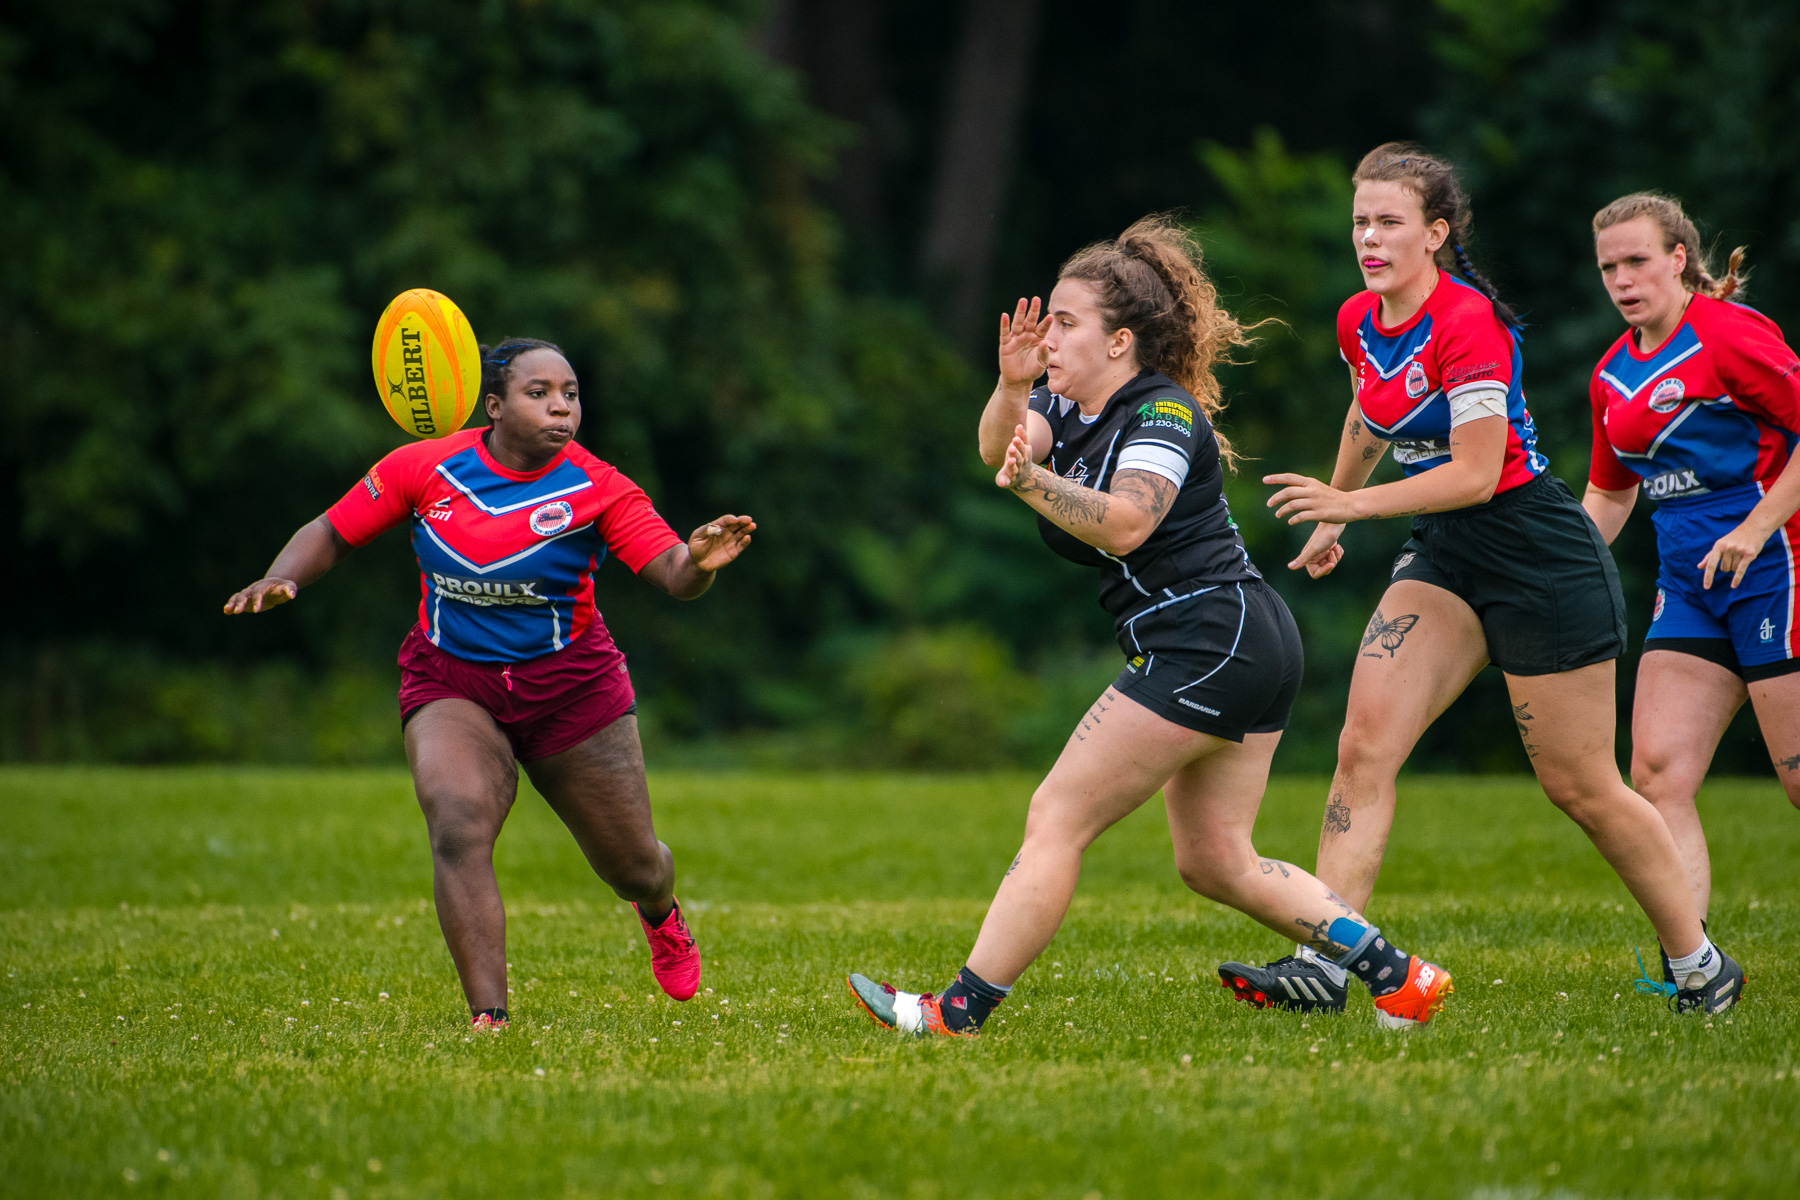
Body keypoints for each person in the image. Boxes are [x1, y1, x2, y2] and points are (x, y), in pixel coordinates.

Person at [846, 216, 1454, 1038]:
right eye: (1047, 322)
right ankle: (1403, 979)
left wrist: (1029, 484)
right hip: (1235, 638)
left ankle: (955, 1012)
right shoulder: (1064, 404)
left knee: (1057, 816)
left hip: (1213, 637)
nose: (1049, 338)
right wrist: (1012, 388)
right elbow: (1000, 450)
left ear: (1122, 341)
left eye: (1066, 325)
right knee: (1215, 862)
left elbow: (1127, 523)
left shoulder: (1163, 415)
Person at [1214, 144, 1744, 1017]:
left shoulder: (1468, 323)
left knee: (1583, 788)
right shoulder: (1359, 318)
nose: (1369, 239)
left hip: (1539, 554)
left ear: (1436, 232)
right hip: (1446, 553)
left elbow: (1474, 470)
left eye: (1389, 222)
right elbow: (1368, 406)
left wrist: (1353, 509)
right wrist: (1331, 507)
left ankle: (1700, 964)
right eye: (1360, 222)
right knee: (1362, 746)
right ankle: (1329, 963)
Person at [224, 337, 754, 1030]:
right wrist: (283, 573)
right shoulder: (425, 467)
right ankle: (490, 1017)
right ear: (495, 406)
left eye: (570, 393)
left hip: (574, 692)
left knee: (635, 868)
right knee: (457, 816)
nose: (561, 405)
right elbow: (332, 528)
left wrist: (701, 562)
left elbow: (672, 573)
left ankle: (661, 916)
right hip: (453, 681)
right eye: (540, 393)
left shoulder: (600, 486)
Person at [1581, 193, 1800, 989]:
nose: (1623, 280)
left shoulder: (1730, 336)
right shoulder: (1611, 375)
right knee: (1658, 774)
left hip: (1780, 570)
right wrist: (1557, 568)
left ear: (1679, 258)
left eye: (1637, 261)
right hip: (1691, 588)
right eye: (1609, 268)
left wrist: (1753, 527)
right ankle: (1696, 969)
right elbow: (1609, 497)